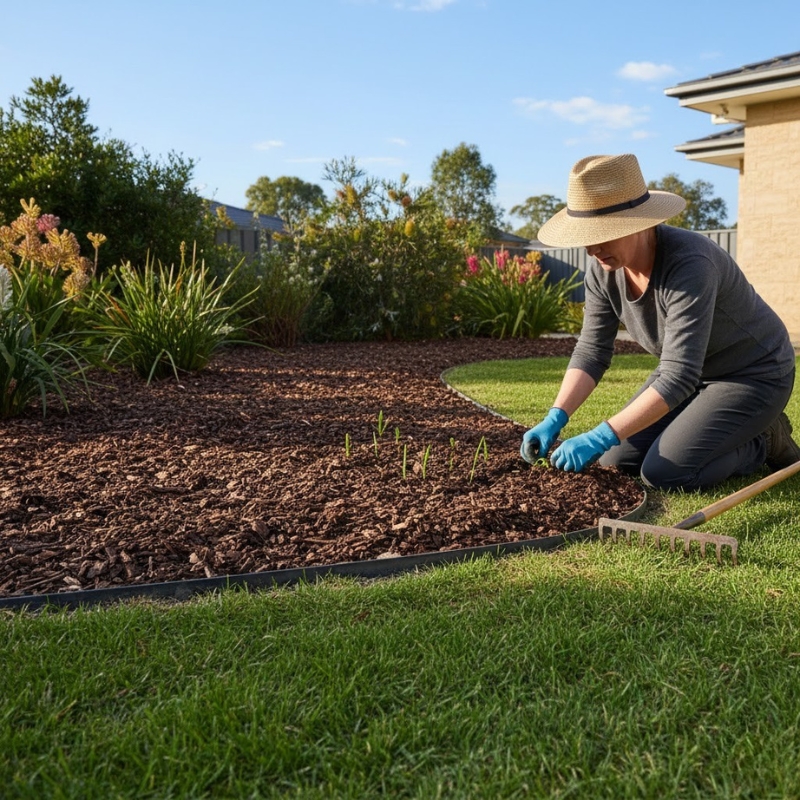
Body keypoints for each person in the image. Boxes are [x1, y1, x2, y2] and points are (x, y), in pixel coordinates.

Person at [520, 153, 800, 490]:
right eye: (586, 236)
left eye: (602, 234)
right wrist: (556, 415)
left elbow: (679, 376)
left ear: (638, 223)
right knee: (617, 460)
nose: (592, 248)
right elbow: (592, 351)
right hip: (691, 375)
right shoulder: (603, 269)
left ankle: (763, 439)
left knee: (666, 474)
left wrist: (600, 434)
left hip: (753, 375)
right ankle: (718, 425)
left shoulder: (690, 264)